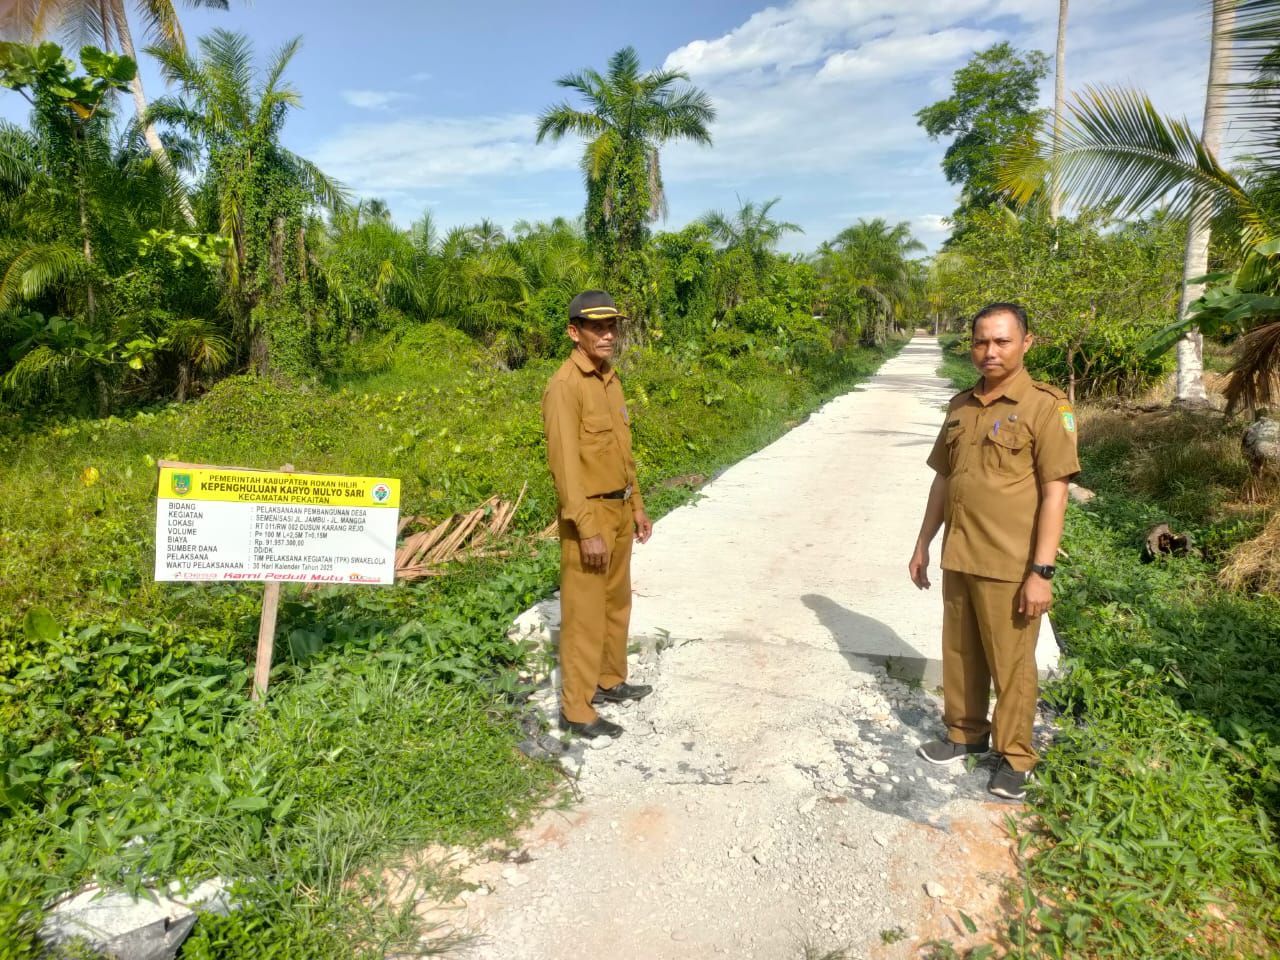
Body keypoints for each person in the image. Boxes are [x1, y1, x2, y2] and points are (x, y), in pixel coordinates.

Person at [908, 302, 1080, 800]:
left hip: (1009, 562)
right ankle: (965, 734)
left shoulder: (1047, 406)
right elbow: (944, 478)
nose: (990, 352)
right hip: (959, 553)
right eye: (981, 341)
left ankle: (1016, 756)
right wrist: (923, 542)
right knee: (959, 652)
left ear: (1027, 343)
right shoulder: (960, 405)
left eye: (1002, 341)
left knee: (1012, 662)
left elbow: (1055, 492)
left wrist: (1041, 571)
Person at [542, 290, 654, 738]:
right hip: (588, 516)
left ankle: (609, 679)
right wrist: (586, 529)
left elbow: (623, 453)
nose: (608, 335)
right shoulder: (564, 387)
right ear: (575, 332)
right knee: (585, 613)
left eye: (612, 326)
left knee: (616, 602)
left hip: (620, 508)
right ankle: (576, 708)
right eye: (596, 327)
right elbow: (566, 469)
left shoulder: (610, 379)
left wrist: (638, 505)